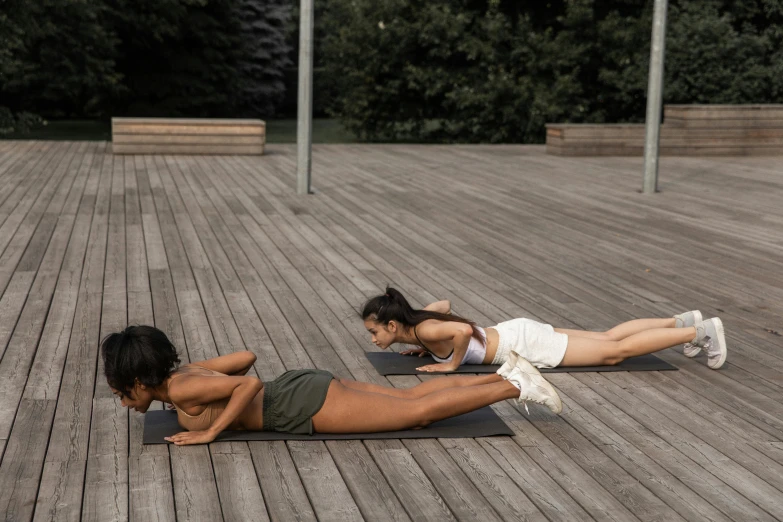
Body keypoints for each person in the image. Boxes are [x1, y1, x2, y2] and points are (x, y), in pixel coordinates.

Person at [102, 325, 562, 446]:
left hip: (300, 406)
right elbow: (245, 359)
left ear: (141, 381)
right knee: (410, 399)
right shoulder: (184, 378)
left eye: (123, 392)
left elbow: (249, 383)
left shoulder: (180, 391)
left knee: (413, 415)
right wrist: (200, 376)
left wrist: (209, 431)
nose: (124, 401)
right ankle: (506, 375)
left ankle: (513, 386)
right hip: (303, 383)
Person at [361, 287, 727, 373]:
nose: (375, 340)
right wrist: (428, 346)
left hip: (522, 344)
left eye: (375, 332)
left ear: (393, 324)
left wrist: (450, 364)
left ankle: (699, 332)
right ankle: (681, 321)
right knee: (609, 336)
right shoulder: (422, 326)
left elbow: (457, 334)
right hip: (514, 329)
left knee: (615, 352)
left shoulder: (425, 331)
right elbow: (444, 308)